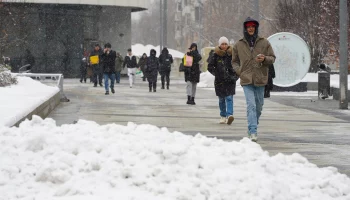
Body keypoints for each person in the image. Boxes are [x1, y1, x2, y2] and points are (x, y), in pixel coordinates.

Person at [231, 17, 276, 142]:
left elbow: (272, 57)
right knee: (251, 105)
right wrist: (239, 71)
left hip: (260, 78)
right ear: (245, 28)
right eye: (248, 27)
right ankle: (252, 131)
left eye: (253, 26)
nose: (250, 28)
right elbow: (234, 61)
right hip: (246, 79)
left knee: (259, 106)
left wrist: (265, 59)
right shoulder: (239, 44)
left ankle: (253, 124)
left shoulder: (264, 42)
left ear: (255, 28)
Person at [208, 36, 237, 125]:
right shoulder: (215, 54)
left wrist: (234, 76)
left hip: (230, 80)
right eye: (222, 44)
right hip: (219, 81)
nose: (224, 46)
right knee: (221, 99)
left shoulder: (232, 54)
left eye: (225, 44)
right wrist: (217, 73)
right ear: (219, 45)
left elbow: (237, 66)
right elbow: (210, 67)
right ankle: (223, 116)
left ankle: (229, 115)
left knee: (229, 98)